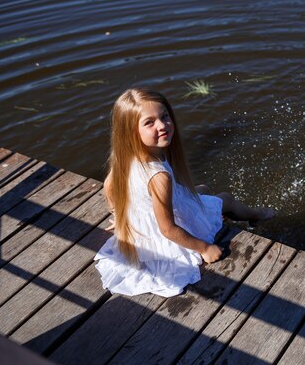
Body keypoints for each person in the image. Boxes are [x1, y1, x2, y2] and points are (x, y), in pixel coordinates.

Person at [94, 88, 274, 297]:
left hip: (149, 218)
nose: (162, 125)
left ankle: (228, 213)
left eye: (164, 116)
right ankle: (257, 216)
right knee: (225, 199)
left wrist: (122, 217)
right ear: (131, 132)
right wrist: (204, 248)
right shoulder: (159, 176)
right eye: (149, 122)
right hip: (168, 235)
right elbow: (168, 229)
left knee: (203, 190)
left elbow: (109, 185)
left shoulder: (126, 158)